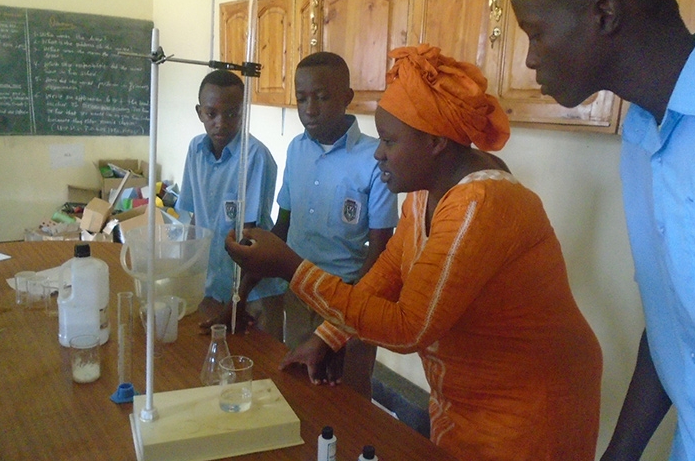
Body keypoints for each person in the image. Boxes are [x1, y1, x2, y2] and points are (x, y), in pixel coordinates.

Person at [226, 44, 603, 460]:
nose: (378, 152)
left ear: (437, 141)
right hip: (461, 398)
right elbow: (388, 273)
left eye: (389, 140)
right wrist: (326, 336)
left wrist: (289, 266)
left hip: (526, 411)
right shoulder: (425, 195)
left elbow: (409, 327)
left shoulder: (481, 204)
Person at [508, 0, 695, 459]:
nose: (530, 58)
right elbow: (676, 319)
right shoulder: (640, 138)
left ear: (604, 15)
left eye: (535, 32)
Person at [264, 51, 398, 397]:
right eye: (302, 98)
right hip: (298, 292)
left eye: (322, 97)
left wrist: (342, 324)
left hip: (350, 298)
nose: (310, 109)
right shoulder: (296, 149)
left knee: (346, 393)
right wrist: (253, 262)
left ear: (346, 98)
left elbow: (382, 251)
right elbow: (285, 223)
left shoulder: (373, 159)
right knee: (300, 386)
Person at [174, 69, 284, 339]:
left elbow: (251, 240)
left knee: (262, 370)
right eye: (212, 114)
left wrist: (238, 300)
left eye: (232, 113)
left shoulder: (255, 156)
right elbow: (193, 221)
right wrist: (184, 278)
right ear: (200, 112)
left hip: (254, 291)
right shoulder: (195, 150)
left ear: (243, 112)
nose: (221, 123)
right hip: (214, 287)